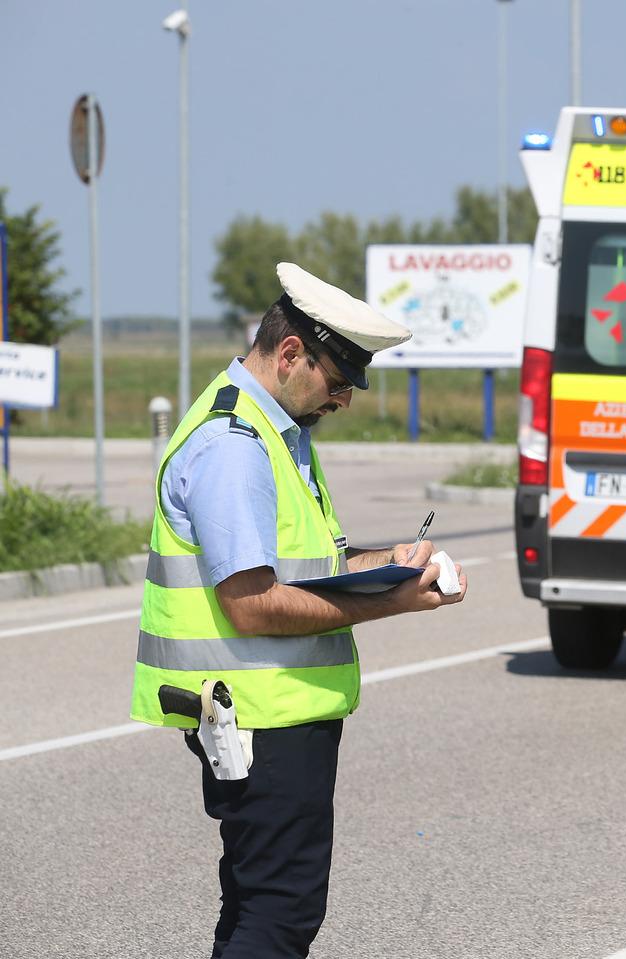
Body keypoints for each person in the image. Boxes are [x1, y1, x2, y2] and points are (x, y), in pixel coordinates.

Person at [130, 262, 468, 958]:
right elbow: (252, 603)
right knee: (279, 916)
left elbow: (308, 565)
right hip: (261, 715)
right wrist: (395, 605)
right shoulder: (234, 445)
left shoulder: (277, 431)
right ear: (290, 354)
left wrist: (391, 563)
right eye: (337, 381)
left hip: (275, 710)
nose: (342, 400)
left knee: (259, 905)